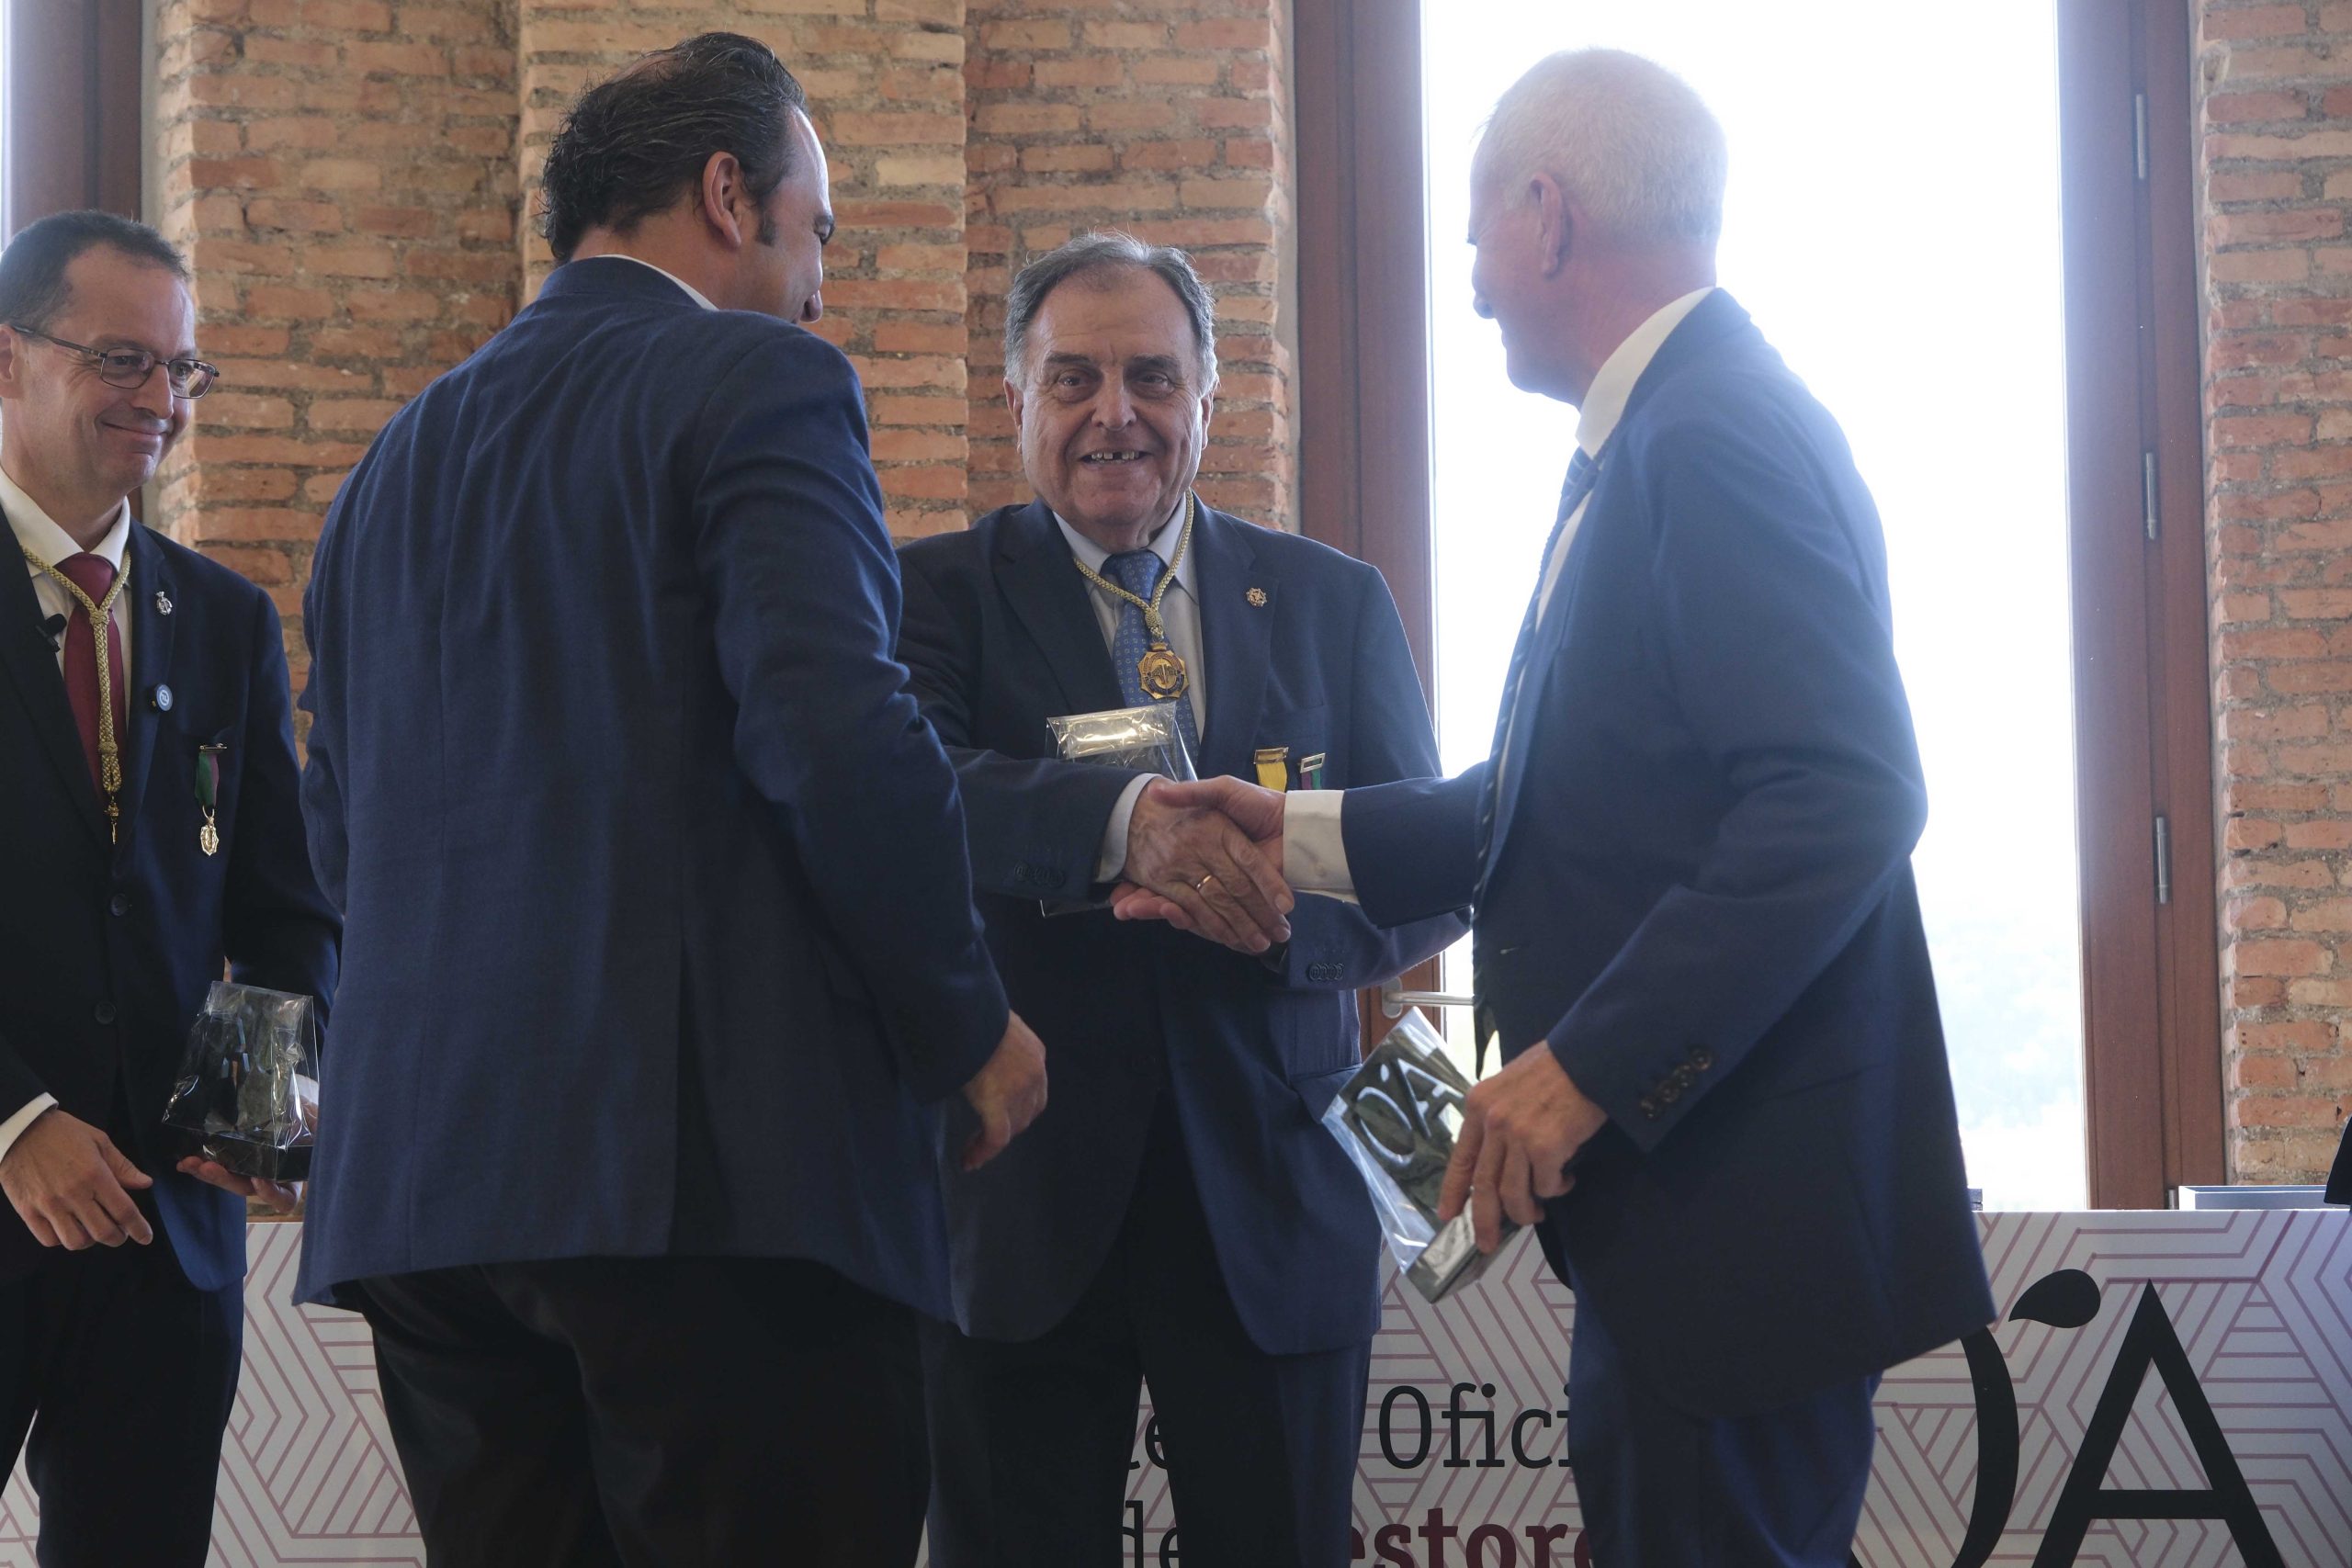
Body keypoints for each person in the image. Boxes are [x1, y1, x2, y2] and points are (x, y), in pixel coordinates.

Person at [1137, 51, 1996, 1565]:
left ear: (1547, 216)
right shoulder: (1663, 429)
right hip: (1697, 1228)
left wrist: (1581, 1066)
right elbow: (1570, 802)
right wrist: (1304, 836)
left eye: (1477, 231)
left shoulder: (1709, 434)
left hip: (1735, 1227)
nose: (1471, 280)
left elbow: (1845, 795)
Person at [293, 34, 1045, 1568]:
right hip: (709, 1183)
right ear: (726, 194)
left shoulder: (387, 466)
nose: (821, 283)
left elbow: (339, 837)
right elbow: (839, 736)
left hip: (429, 1199)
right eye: (816, 228)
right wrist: (965, 1025)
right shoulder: (760, 379)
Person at [898, 231, 1464, 1567]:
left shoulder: (1334, 601)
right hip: (1015, 1201)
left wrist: (1275, 911)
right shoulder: (930, 595)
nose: (1116, 414)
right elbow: (909, 802)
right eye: (1074, 379)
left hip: (1272, 1199)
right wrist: (1124, 831)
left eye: (1153, 376)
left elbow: (1432, 864)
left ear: (1209, 397)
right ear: (1017, 399)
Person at [0, 209, 339, 1565]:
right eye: (120, 359)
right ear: (8, 360)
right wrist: (17, 1119)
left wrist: (261, 1094)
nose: (159, 399)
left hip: (165, 1232)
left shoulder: (226, 619)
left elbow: (281, 907)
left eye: (180, 368)